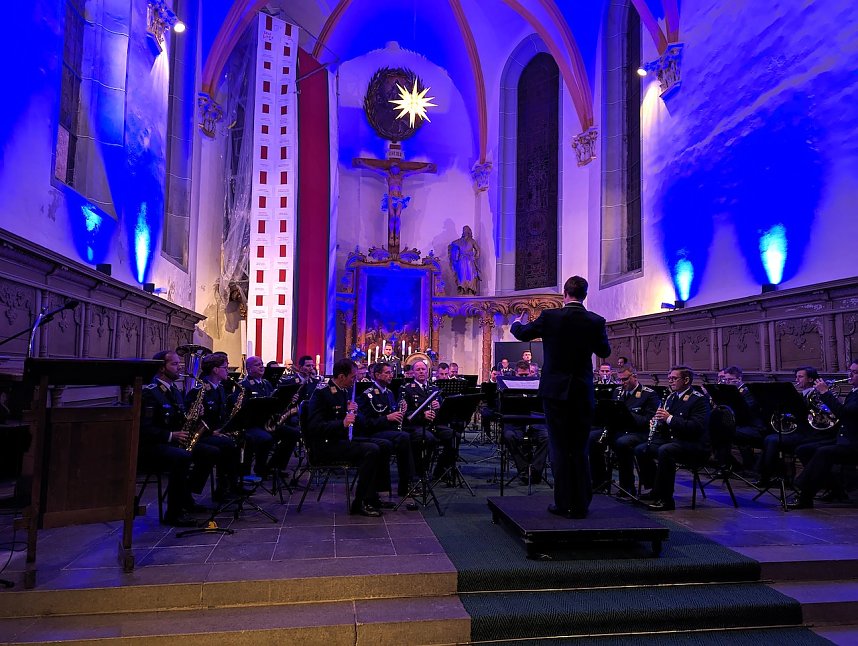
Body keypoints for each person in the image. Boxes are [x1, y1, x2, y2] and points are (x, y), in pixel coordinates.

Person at [511, 275, 611, 519]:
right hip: (581, 391)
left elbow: (523, 334)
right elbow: (604, 351)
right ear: (585, 295)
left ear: (565, 294)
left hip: (555, 392)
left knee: (558, 446)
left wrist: (516, 322)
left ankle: (563, 502)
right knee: (579, 447)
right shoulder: (596, 321)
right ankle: (581, 504)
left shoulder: (551, 317)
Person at [139, 350, 217, 527]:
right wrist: (170, 435)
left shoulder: (174, 390)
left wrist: (195, 415)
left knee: (210, 451)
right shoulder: (150, 393)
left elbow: (180, 419)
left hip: (175, 441)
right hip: (155, 445)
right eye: (174, 364)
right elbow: (144, 428)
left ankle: (186, 495)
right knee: (182, 457)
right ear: (161, 367)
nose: (179, 367)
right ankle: (173, 513)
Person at [305, 358, 385, 517]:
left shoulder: (344, 391)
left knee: (383, 445)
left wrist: (354, 412)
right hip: (325, 446)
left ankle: (373, 497)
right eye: (352, 377)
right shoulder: (322, 393)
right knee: (371, 450)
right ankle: (360, 503)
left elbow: (356, 421)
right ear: (341, 376)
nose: (355, 380)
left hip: (341, 441)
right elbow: (314, 427)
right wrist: (341, 422)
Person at [634, 366, 711, 511]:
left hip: (693, 444)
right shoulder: (671, 397)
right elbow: (668, 425)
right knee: (642, 449)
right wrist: (657, 423)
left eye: (674, 378)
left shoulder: (698, 400)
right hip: (675, 440)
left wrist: (668, 418)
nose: (670, 382)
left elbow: (696, 427)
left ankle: (666, 499)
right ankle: (655, 490)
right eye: (669, 379)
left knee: (665, 451)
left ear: (686, 380)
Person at [788, 361, 858, 509]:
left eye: (855, 372)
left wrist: (826, 394)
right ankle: (834, 489)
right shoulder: (854, 391)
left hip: (853, 442)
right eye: (850, 371)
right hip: (844, 438)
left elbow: (845, 414)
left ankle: (805, 496)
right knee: (803, 449)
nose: (850, 375)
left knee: (823, 452)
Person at [588, 364, 659, 495]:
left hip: (638, 432)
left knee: (622, 443)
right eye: (620, 380)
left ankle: (627, 485)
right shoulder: (617, 391)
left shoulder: (649, 395)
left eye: (625, 379)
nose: (622, 383)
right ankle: (599, 481)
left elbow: (648, 420)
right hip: (619, 430)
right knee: (592, 439)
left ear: (635, 377)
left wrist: (626, 413)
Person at [186, 353, 242, 502]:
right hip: (201, 435)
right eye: (225, 367)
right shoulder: (200, 390)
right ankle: (223, 489)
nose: (227, 370)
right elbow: (191, 419)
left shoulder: (221, 388)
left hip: (215, 432)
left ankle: (231, 484)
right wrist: (213, 432)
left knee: (237, 439)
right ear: (216, 370)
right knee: (225, 445)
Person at [357, 362, 416, 501]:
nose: (391, 375)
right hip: (374, 432)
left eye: (391, 372)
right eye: (387, 373)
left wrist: (401, 411)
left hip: (388, 431)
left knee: (408, 437)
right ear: (377, 375)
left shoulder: (389, 393)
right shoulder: (368, 395)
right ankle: (406, 483)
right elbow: (365, 423)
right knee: (403, 437)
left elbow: (393, 413)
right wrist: (386, 418)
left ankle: (406, 483)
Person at [401, 360, 456, 481]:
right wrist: (422, 415)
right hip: (415, 426)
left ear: (428, 372)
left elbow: (443, 412)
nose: (421, 372)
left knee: (453, 435)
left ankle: (439, 470)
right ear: (413, 373)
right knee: (428, 438)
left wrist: (439, 406)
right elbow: (405, 413)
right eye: (418, 370)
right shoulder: (407, 389)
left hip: (433, 425)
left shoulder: (434, 388)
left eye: (423, 369)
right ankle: (421, 472)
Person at [500, 361, 549, 484]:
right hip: (516, 425)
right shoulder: (509, 388)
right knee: (508, 436)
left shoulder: (538, 387)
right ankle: (524, 469)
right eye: (520, 375)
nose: (523, 378)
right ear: (515, 373)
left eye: (526, 375)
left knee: (547, 437)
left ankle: (536, 471)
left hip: (535, 425)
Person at [236, 356, 275, 477]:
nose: (262, 366)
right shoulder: (243, 385)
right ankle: (258, 469)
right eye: (257, 365)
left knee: (291, 433)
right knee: (266, 438)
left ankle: (274, 466)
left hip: (267, 423)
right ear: (249, 369)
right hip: (252, 425)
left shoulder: (267, 384)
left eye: (262, 364)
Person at [448, 225, 480, 295]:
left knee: (471, 275)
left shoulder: (472, 241)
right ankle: (462, 288)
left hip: (470, 260)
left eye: (466, 230)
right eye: (463, 230)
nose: (464, 232)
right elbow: (453, 249)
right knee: (461, 275)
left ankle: (470, 289)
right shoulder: (458, 241)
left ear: (469, 232)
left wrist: (475, 257)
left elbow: (478, 250)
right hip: (461, 260)